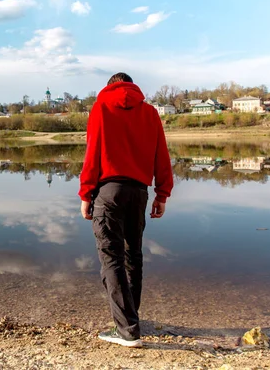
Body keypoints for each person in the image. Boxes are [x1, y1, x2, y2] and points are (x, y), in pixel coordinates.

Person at [79, 72, 174, 348]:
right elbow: (161, 154)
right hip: (139, 193)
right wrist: (162, 194)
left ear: (109, 87)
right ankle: (131, 321)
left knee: (111, 259)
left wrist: (86, 193)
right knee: (133, 256)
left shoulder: (101, 108)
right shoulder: (150, 113)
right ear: (131, 86)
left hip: (109, 191)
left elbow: (93, 150)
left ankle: (127, 331)